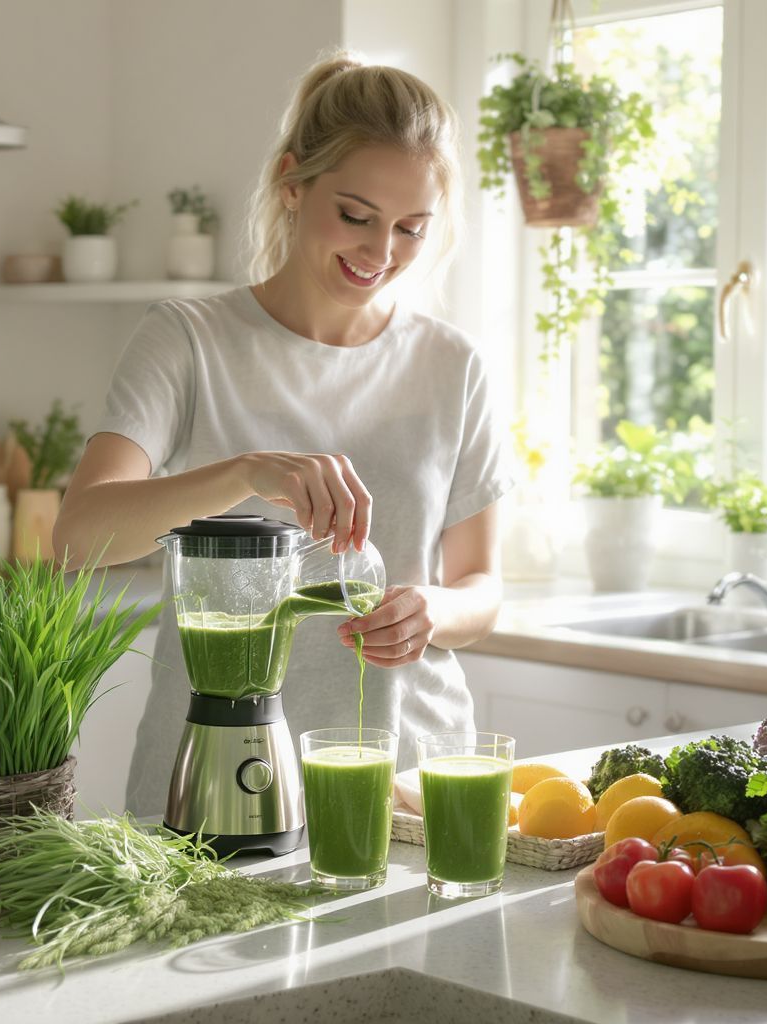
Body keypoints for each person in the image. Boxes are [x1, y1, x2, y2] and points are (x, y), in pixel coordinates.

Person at [53, 50, 510, 817]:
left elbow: (483, 587)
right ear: (292, 183)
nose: (380, 252)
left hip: (406, 773)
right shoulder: (189, 339)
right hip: (209, 781)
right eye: (357, 216)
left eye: (411, 229)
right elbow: (78, 536)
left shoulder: (452, 365)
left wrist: (434, 608)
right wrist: (244, 473)